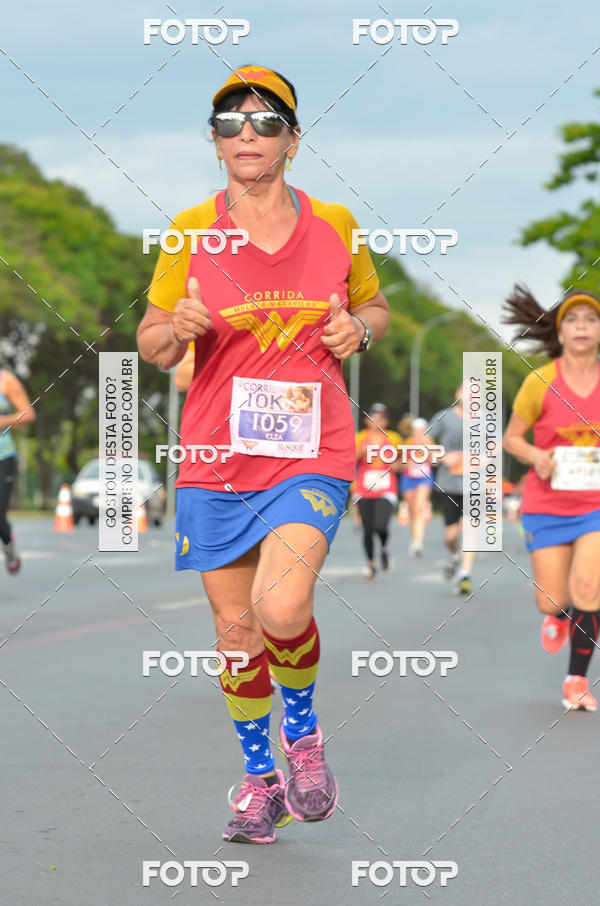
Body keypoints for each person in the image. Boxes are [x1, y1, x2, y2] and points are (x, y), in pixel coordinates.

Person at [137, 64, 389, 843]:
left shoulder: (338, 224)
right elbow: (149, 344)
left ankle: (303, 738)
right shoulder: (188, 230)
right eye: (230, 122)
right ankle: (258, 781)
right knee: (236, 633)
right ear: (214, 143)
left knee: (283, 607)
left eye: (266, 120)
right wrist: (174, 327)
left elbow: (373, 305)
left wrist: (363, 329)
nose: (247, 133)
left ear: (293, 139)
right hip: (216, 456)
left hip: (312, 446)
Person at [503, 285, 600, 711]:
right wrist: (535, 455)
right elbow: (511, 439)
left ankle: (576, 679)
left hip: (594, 505)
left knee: (590, 588)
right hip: (547, 503)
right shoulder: (539, 382)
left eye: (591, 320)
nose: (582, 327)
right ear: (560, 333)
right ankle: (558, 617)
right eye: (573, 320)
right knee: (553, 599)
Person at [427, 386, 477, 594]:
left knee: (471, 529)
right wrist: (442, 456)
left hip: (475, 483)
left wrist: (485, 459)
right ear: (458, 394)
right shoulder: (444, 417)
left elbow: (496, 444)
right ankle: (455, 555)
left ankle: (465, 575)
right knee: (451, 534)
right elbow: (425, 437)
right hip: (448, 483)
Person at [354, 403, 401, 578]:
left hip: (386, 487)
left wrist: (398, 463)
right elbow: (351, 460)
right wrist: (361, 451)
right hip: (364, 488)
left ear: (387, 420)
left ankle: (383, 547)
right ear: (367, 419)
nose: (379, 420)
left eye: (383, 416)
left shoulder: (394, 438)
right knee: (366, 529)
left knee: (380, 524)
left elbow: (398, 465)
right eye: (375, 416)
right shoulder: (359, 438)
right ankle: (371, 564)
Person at [0, 364, 35, 574]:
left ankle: (8, 543)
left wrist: (3, 420)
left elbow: (27, 414)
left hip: (3, 458)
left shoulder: (6, 380)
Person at [399, 417, 434, 557]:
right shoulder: (407, 443)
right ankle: (414, 540)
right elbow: (398, 463)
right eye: (416, 430)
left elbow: (436, 461)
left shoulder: (429, 442)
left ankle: (418, 542)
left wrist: (428, 448)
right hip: (408, 478)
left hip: (424, 478)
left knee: (419, 507)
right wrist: (407, 464)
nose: (419, 433)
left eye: (422, 430)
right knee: (413, 510)